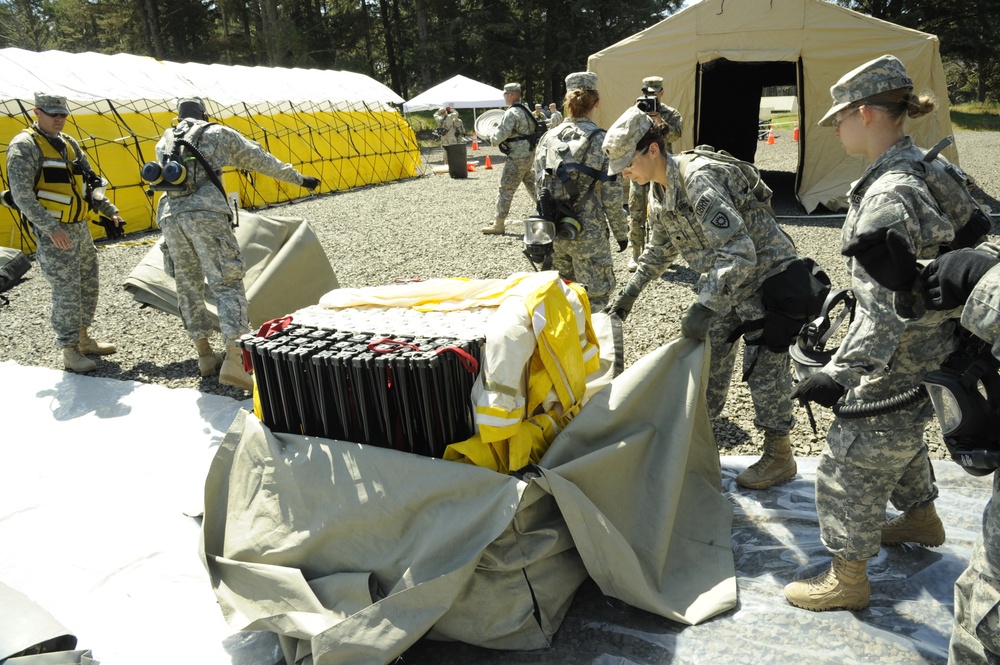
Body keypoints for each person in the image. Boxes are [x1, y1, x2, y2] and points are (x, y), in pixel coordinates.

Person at [785, 54, 958, 612]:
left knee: (847, 458)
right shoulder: (930, 166)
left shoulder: (887, 195)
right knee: (899, 437)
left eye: (839, 117)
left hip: (897, 355)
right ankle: (921, 518)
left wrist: (840, 375)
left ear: (865, 112)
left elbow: (883, 308)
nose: (835, 127)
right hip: (936, 349)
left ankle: (849, 579)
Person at [603, 105, 802, 491]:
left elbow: (742, 251)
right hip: (725, 285)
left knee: (764, 368)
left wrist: (703, 304)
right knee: (707, 361)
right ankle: (700, 446)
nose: (624, 173)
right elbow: (661, 248)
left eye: (628, 164)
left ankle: (780, 454)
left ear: (653, 150)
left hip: (765, 281)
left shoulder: (697, 181)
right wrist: (630, 293)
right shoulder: (658, 191)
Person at [150, 96, 320, 391]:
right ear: (204, 114)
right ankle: (235, 359)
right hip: (207, 215)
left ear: (179, 117)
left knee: (186, 284)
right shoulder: (216, 134)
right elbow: (259, 158)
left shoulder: (165, 140)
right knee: (226, 282)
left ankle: (204, 354)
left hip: (170, 216)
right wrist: (299, 179)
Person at [5, 92, 125, 373]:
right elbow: (22, 196)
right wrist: (50, 228)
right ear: (36, 112)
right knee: (66, 291)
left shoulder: (68, 144)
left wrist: (109, 210)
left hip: (79, 227)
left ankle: (84, 339)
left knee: (87, 284)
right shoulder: (25, 146)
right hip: (54, 232)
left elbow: (89, 183)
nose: (59, 119)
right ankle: (68, 350)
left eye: (63, 115)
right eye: (53, 114)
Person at [533, 72, 628, 312]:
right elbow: (611, 196)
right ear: (597, 102)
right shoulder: (602, 140)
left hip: (554, 229)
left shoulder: (547, 137)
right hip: (589, 231)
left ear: (567, 103)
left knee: (560, 299)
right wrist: (620, 233)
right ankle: (592, 347)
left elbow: (538, 185)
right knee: (594, 299)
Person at [626, 76, 683, 272]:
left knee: (665, 210)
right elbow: (626, 135)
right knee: (636, 209)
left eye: (655, 93)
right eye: (647, 93)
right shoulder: (636, 110)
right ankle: (635, 253)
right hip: (640, 165)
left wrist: (660, 120)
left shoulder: (670, 113)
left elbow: (676, 134)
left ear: (661, 92)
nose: (651, 97)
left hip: (661, 169)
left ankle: (664, 253)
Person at [481, 83, 538, 235]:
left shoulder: (512, 112)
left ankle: (499, 224)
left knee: (506, 189)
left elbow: (501, 134)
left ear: (511, 95)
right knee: (532, 185)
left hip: (517, 157)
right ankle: (549, 213)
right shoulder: (526, 110)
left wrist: (491, 139)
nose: (504, 97)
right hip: (529, 154)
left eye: (505, 94)